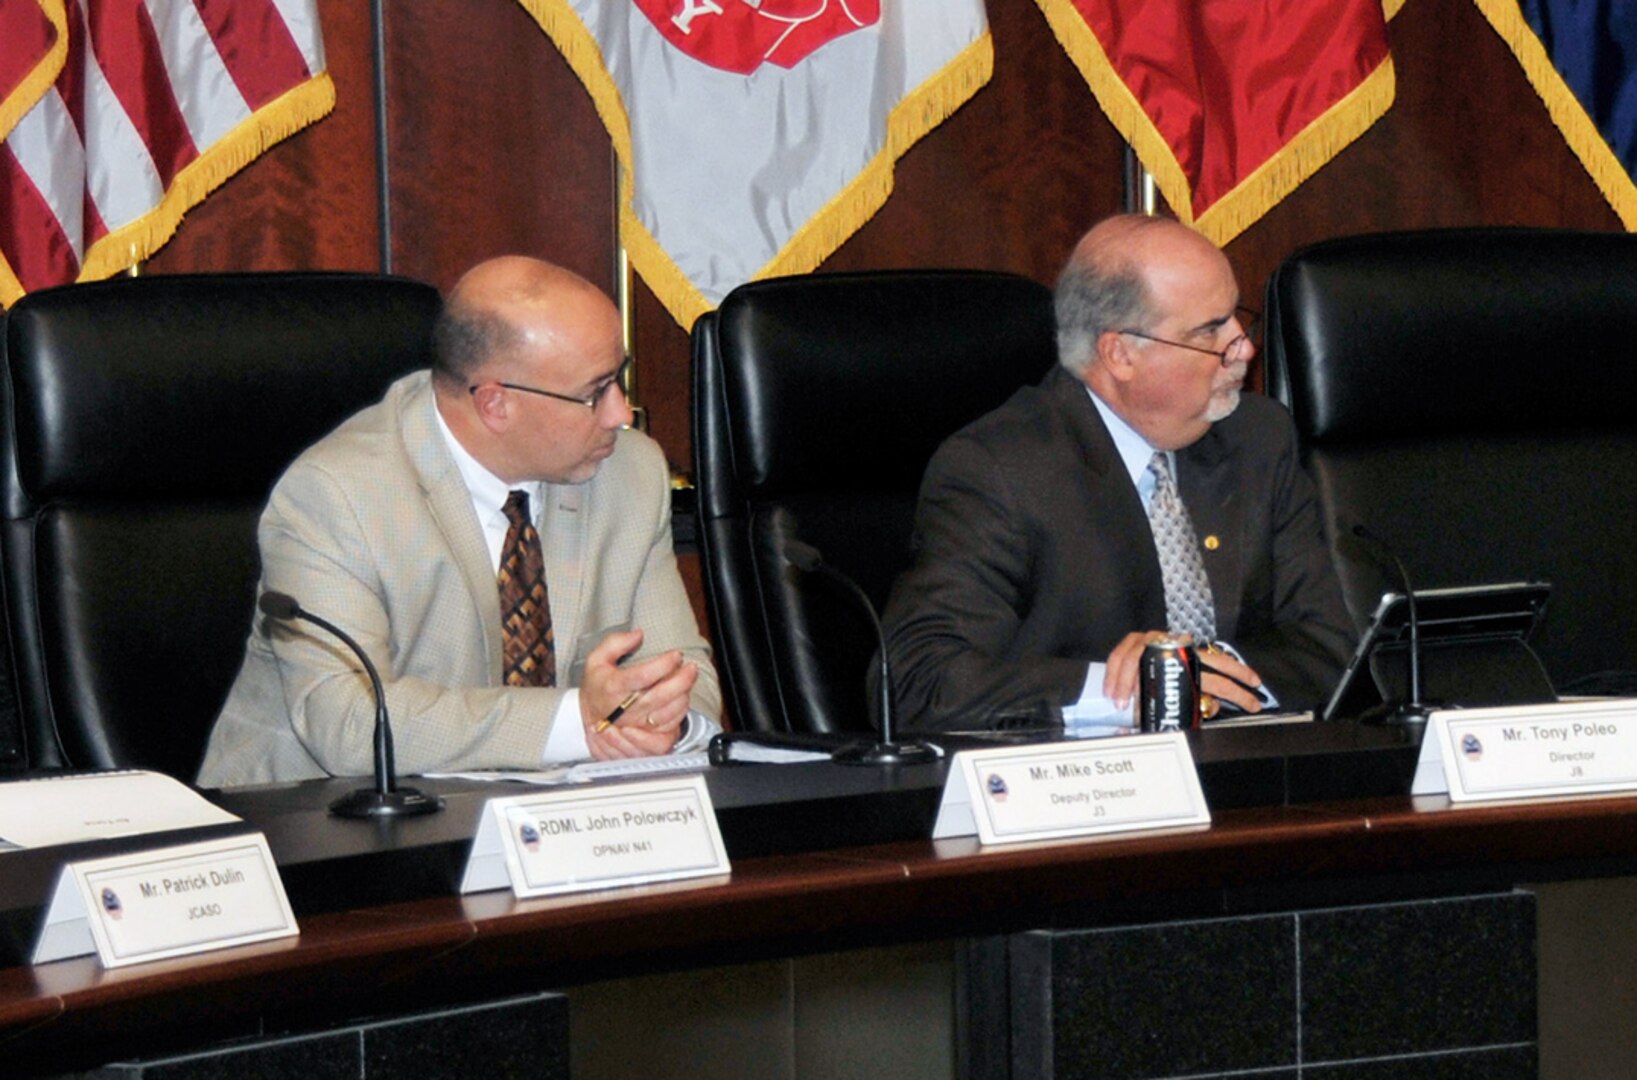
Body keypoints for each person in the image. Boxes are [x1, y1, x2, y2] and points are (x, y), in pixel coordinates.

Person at [198, 256, 720, 787]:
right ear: (496, 403)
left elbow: (681, 668)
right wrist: (575, 721)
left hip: (546, 827)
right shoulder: (339, 496)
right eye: (595, 392)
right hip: (323, 824)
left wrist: (659, 724)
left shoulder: (629, 472)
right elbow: (351, 724)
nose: (621, 414)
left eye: (620, 379)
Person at [881, 215, 1354, 732]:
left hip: (1247, 778)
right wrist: (1115, 688)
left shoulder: (1257, 438)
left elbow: (1331, 645)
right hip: (1083, 790)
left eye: (1236, 318)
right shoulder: (1000, 470)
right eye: (1209, 330)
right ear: (1120, 354)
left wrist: (1195, 672)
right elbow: (919, 681)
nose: (1243, 347)